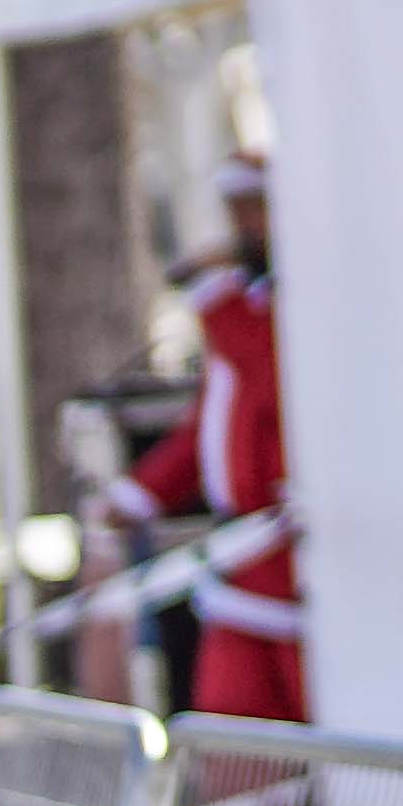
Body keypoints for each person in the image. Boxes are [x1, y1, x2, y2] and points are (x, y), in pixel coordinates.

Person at [105, 149, 296, 724]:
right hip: (239, 559)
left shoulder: (273, 314)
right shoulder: (241, 312)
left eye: (255, 209)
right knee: (224, 728)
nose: (242, 227)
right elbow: (210, 426)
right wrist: (140, 494)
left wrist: (211, 294)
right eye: (234, 210)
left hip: (291, 567)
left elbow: (269, 381)